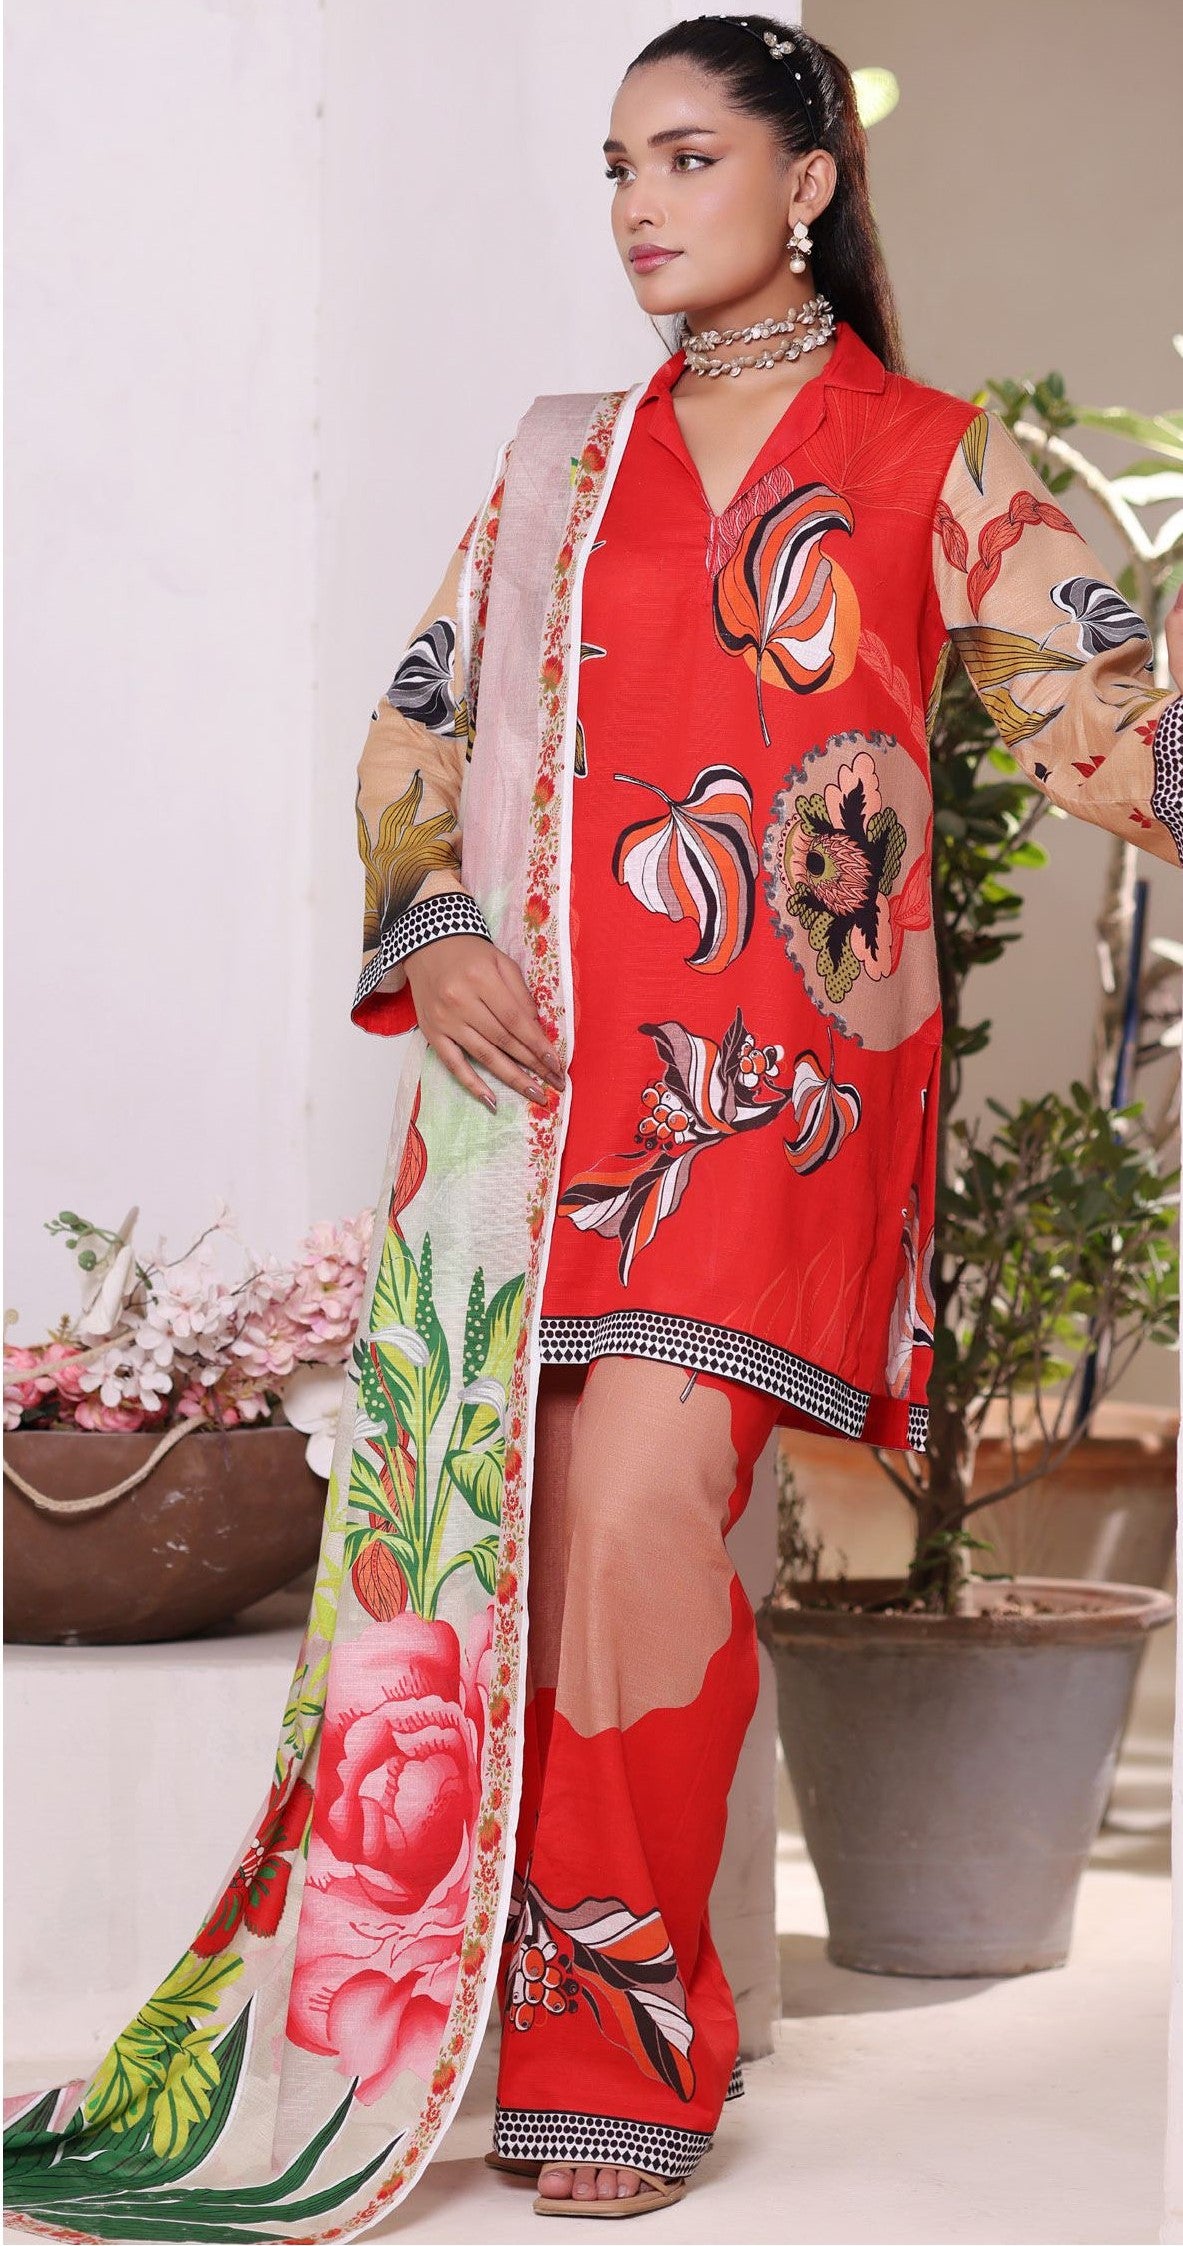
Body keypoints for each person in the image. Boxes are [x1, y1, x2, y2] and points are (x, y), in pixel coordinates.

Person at [6, 11, 1182, 2240]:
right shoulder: (559, 461)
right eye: (613, 167)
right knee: (511, 1553)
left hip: (782, 1106)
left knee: (643, 1508)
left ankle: (629, 2047)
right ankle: (458, 2019)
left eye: (685, 156)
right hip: (533, 1109)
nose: (639, 204)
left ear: (807, 179)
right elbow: (414, 733)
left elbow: (1114, 717)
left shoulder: (940, 458)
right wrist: (434, 925)